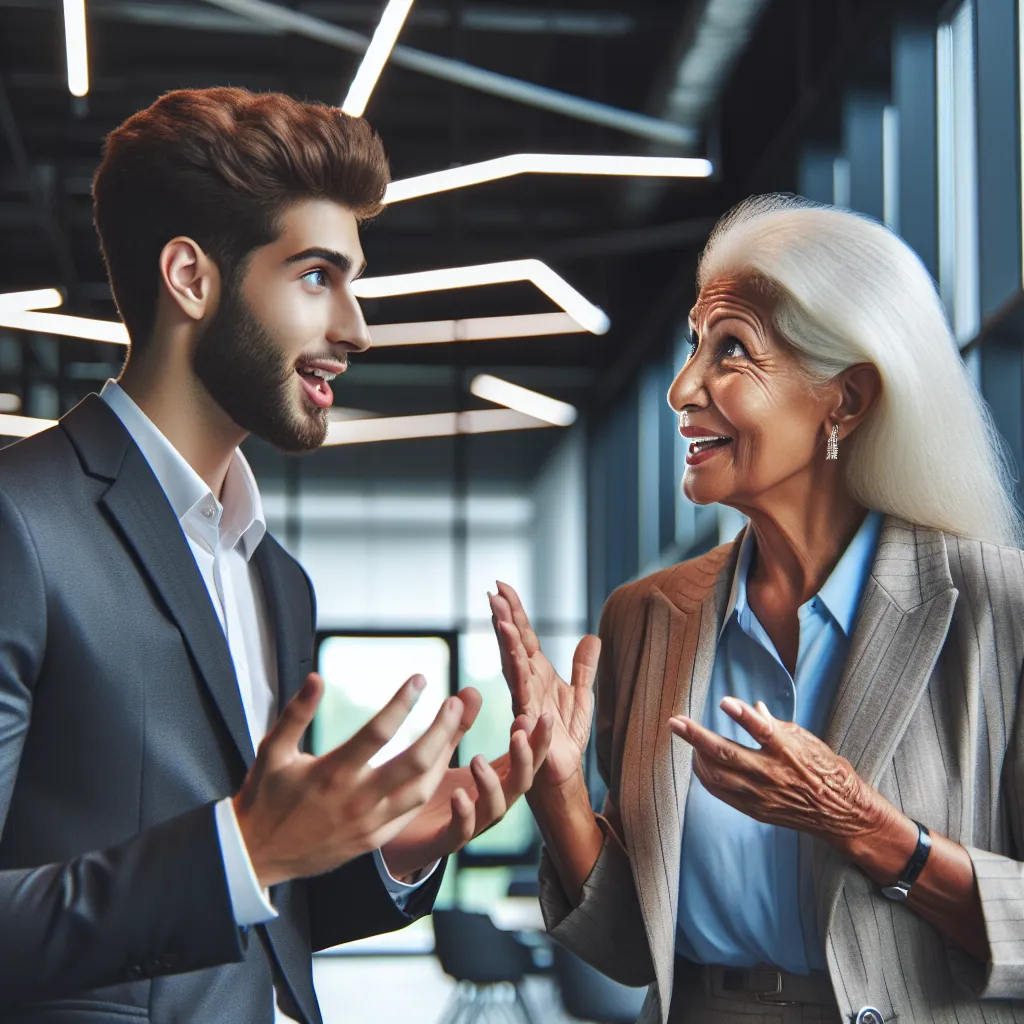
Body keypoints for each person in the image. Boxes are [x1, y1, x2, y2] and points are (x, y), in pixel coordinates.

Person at [0, 87, 552, 1023]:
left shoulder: (275, 579)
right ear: (190, 276)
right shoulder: (20, 522)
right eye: (316, 276)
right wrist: (245, 851)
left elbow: (253, 923)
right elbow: (230, 870)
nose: (356, 327)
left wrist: (388, 845)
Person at [490, 195, 1024, 1024]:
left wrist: (869, 829)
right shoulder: (644, 618)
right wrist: (560, 791)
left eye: (730, 350)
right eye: (692, 346)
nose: (680, 389)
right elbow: (636, 950)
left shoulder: (999, 608)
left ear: (844, 401)